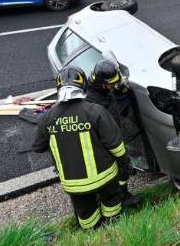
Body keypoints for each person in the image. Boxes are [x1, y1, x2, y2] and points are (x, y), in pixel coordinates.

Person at [33, 66, 132, 230]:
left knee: (86, 216)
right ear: (83, 85)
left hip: (74, 185)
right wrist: (125, 163)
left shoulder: (47, 117)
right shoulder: (95, 111)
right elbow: (115, 145)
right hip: (106, 177)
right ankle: (114, 232)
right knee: (112, 205)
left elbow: (38, 147)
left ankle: (93, 237)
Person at [87, 59, 141, 208]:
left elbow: (112, 97)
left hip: (113, 134)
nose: (113, 86)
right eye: (111, 84)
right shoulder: (93, 101)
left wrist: (120, 90)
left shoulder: (101, 89)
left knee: (123, 168)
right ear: (101, 83)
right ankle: (120, 197)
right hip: (106, 143)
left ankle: (120, 193)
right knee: (122, 169)